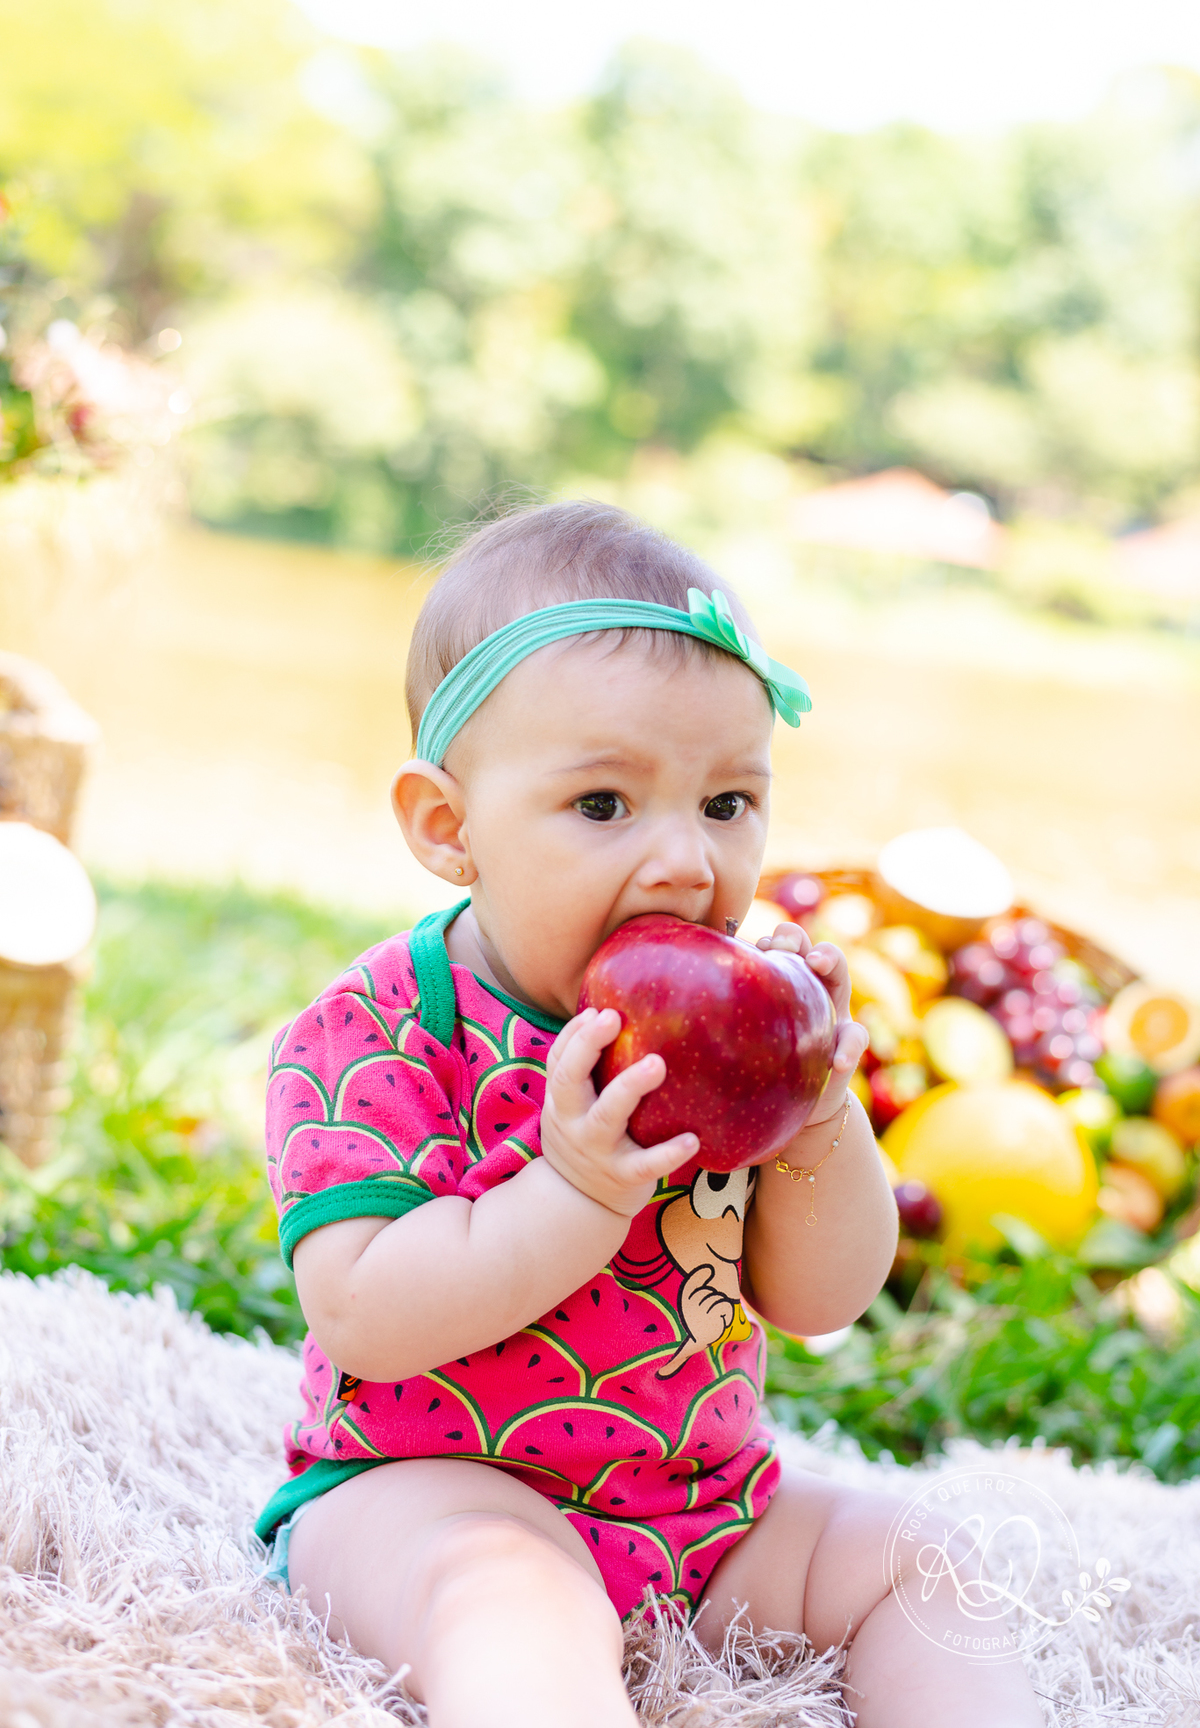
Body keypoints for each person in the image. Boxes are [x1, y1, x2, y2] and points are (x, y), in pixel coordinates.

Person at [256, 501, 1042, 1728]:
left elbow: (821, 1299)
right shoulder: (381, 1030)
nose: (686, 861)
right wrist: (574, 1193)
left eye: (727, 803)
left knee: (926, 1565)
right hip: (429, 1492)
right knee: (512, 1595)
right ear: (449, 827)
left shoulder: (743, 1027)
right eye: (604, 805)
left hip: (701, 1511)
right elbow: (365, 1314)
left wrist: (818, 1119)